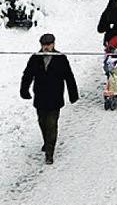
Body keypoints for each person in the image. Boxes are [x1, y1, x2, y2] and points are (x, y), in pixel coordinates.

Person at [20, 33, 79, 164]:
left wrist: (73, 94)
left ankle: (49, 152)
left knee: (51, 124)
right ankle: (47, 141)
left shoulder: (61, 58)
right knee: (42, 122)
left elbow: (69, 76)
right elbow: (27, 75)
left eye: (49, 44)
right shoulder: (35, 58)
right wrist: (24, 90)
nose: (46, 47)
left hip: (55, 97)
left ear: (53, 44)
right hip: (40, 97)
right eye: (44, 45)